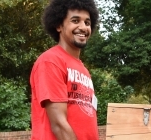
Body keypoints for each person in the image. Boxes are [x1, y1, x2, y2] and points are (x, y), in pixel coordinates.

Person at [29, 0, 100, 139]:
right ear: (58, 25)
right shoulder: (50, 61)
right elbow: (59, 125)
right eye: (75, 20)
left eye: (87, 22)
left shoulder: (83, 70)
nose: (83, 27)